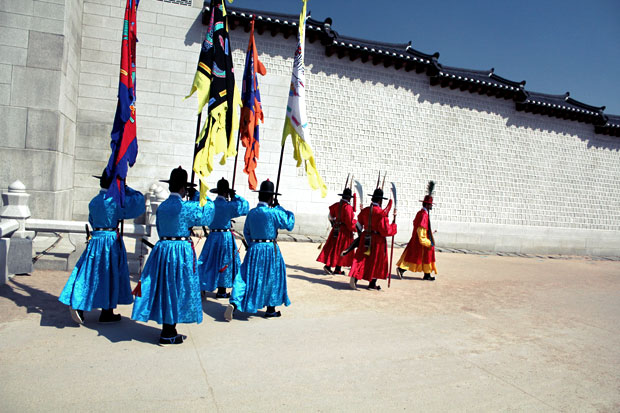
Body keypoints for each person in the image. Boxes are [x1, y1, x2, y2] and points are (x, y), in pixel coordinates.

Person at [131, 167, 214, 345]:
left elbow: (161, 229)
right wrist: (199, 195)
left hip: (163, 249)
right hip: (180, 251)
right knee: (178, 288)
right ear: (184, 188)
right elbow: (206, 214)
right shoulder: (186, 207)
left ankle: (168, 327)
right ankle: (168, 331)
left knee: (165, 287)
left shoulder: (162, 207)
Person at [59, 170, 145, 324]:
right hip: (110, 241)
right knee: (111, 274)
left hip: (96, 238)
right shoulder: (114, 201)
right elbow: (137, 204)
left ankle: (107, 311)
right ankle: (83, 305)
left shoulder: (94, 201)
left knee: (90, 273)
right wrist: (125, 188)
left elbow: (92, 220)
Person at [225, 180, 295, 320]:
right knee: (272, 277)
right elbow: (289, 223)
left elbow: (247, 231)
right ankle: (270, 308)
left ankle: (234, 301)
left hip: (255, 248)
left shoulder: (252, 213)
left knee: (245, 275)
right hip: (270, 248)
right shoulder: (274, 213)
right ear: (271, 198)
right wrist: (280, 208)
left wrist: (252, 245)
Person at [198, 178, 249, 298]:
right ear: (226, 193)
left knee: (209, 261)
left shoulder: (211, 205)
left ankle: (203, 284)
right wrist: (235, 196)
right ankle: (222, 290)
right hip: (225, 236)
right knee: (225, 262)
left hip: (212, 236)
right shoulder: (229, 206)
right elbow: (245, 207)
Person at [348, 188, 397, 290]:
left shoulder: (365, 210)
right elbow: (386, 230)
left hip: (365, 237)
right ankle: (372, 283)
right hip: (377, 240)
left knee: (362, 258)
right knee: (377, 261)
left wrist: (362, 235)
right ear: (380, 201)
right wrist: (394, 226)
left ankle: (355, 277)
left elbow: (358, 225)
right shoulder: (381, 213)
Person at [396, 181, 437, 281]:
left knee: (425, 256)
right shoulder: (423, 215)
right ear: (427, 205)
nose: (431, 206)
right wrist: (426, 241)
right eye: (430, 205)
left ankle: (427, 274)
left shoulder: (422, 213)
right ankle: (401, 269)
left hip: (419, 239)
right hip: (420, 240)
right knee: (414, 257)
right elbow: (421, 229)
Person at [316, 187, 356, 275]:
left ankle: (338, 269)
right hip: (344, 231)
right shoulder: (348, 207)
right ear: (349, 198)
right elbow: (350, 222)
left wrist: (333, 222)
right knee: (340, 249)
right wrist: (355, 227)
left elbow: (330, 215)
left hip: (336, 228)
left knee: (334, 247)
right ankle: (328, 266)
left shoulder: (337, 205)